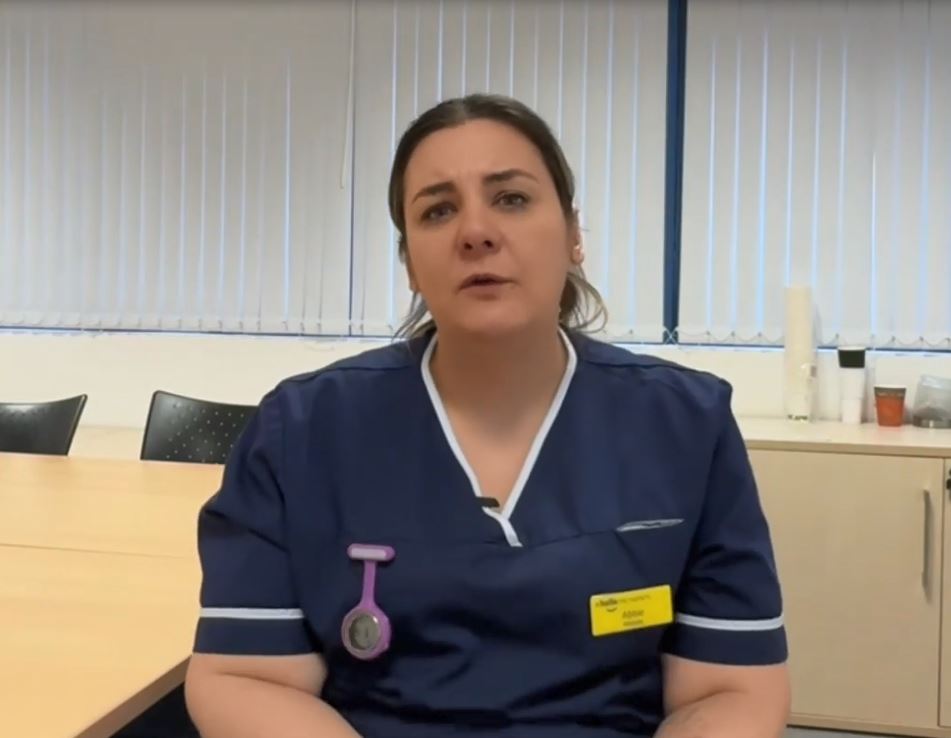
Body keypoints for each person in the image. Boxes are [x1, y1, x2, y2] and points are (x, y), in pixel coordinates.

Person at [184, 93, 790, 738]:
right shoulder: (304, 430)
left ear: (574, 235)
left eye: (512, 198)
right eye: (438, 210)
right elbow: (246, 677)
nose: (476, 231)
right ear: (409, 263)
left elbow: (731, 689)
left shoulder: (685, 425)